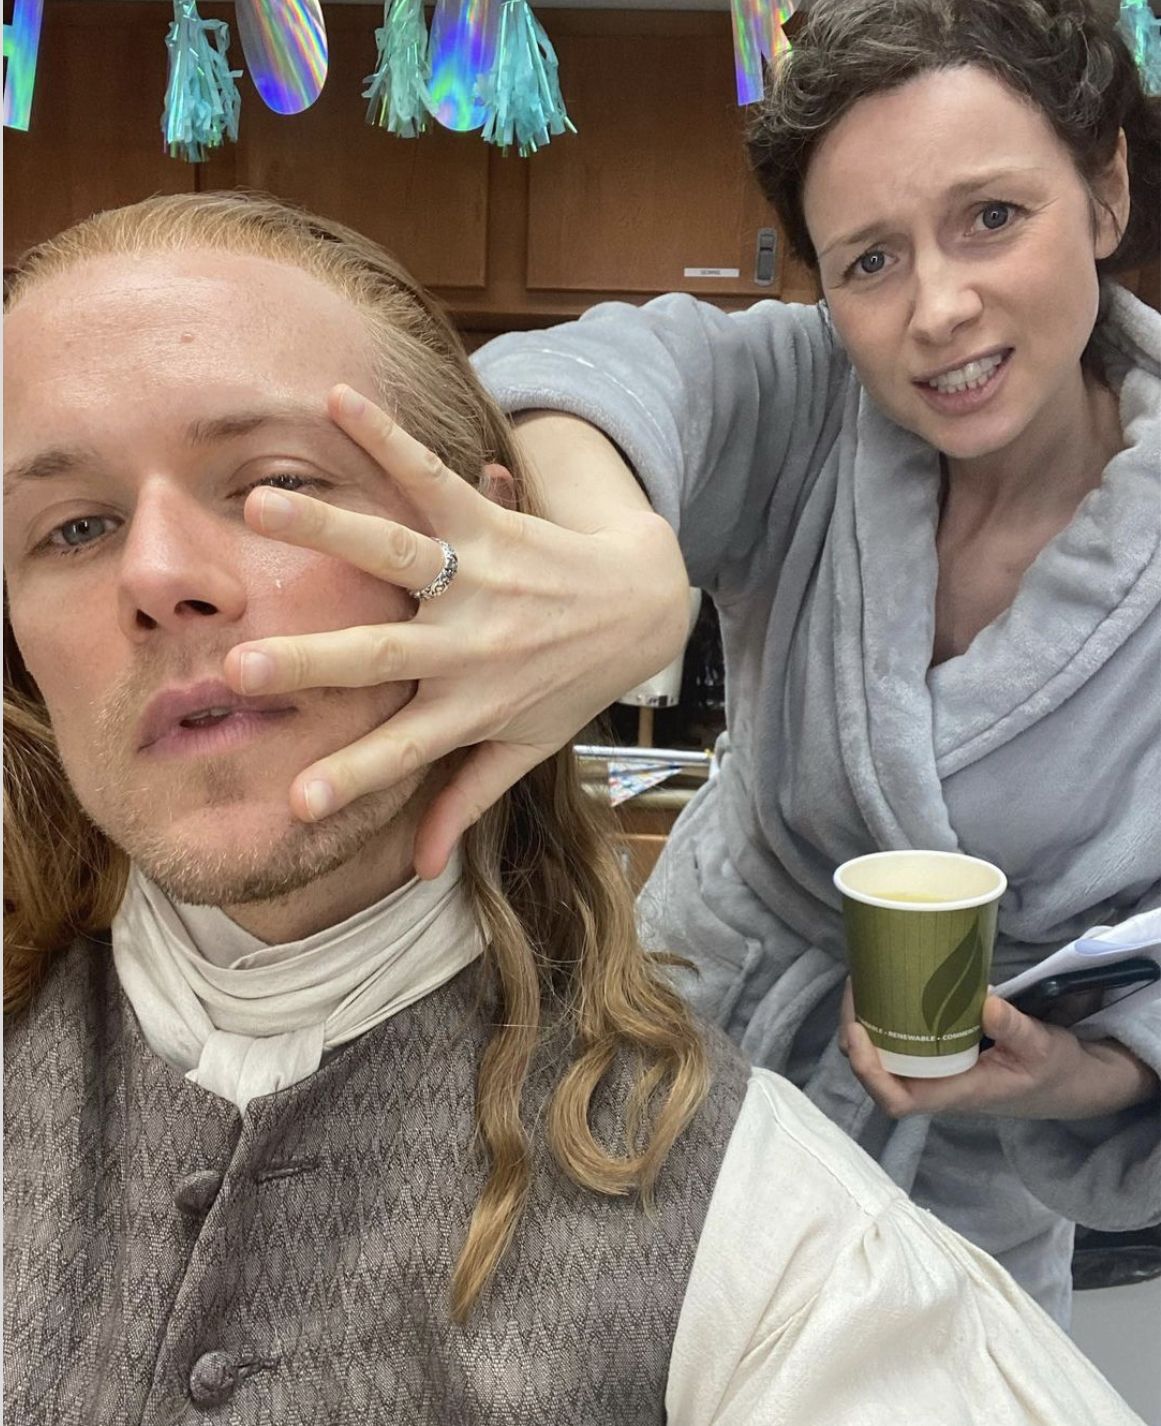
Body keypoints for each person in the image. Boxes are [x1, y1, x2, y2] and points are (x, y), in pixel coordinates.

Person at [3, 192, 1147, 1425]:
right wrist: (630, 566)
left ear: (496, 551)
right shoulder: (787, 395)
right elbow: (622, 367)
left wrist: (1112, 1063)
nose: (158, 575)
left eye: (277, 485)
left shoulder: (780, 1252)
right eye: (75, 527)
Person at [158, 0, 1161, 1329]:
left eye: (992, 217)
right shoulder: (814, 403)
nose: (937, 307)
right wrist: (624, 563)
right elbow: (575, 371)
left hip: (967, 1191)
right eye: (868, 259)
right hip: (680, 1074)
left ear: (1104, 191)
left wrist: (1083, 1072)